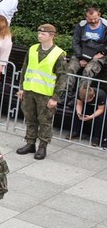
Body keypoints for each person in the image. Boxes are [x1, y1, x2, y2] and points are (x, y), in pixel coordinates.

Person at [16, 24, 70, 160]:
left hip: (45, 94)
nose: (39, 35)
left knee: (45, 121)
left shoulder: (59, 54)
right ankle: (30, 143)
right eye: (39, 33)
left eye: (43, 34)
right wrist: (21, 88)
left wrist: (55, 97)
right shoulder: (33, 49)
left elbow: (62, 77)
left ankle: (42, 146)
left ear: (52, 36)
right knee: (30, 118)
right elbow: (24, 69)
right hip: (29, 90)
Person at [72, 6, 107, 79]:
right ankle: (65, 90)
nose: (93, 21)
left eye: (95, 19)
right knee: (70, 69)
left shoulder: (105, 26)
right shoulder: (80, 26)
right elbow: (75, 42)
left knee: (88, 71)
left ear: (99, 15)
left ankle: (84, 90)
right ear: (85, 17)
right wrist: (81, 57)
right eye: (90, 19)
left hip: (98, 54)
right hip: (81, 52)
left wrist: (103, 53)